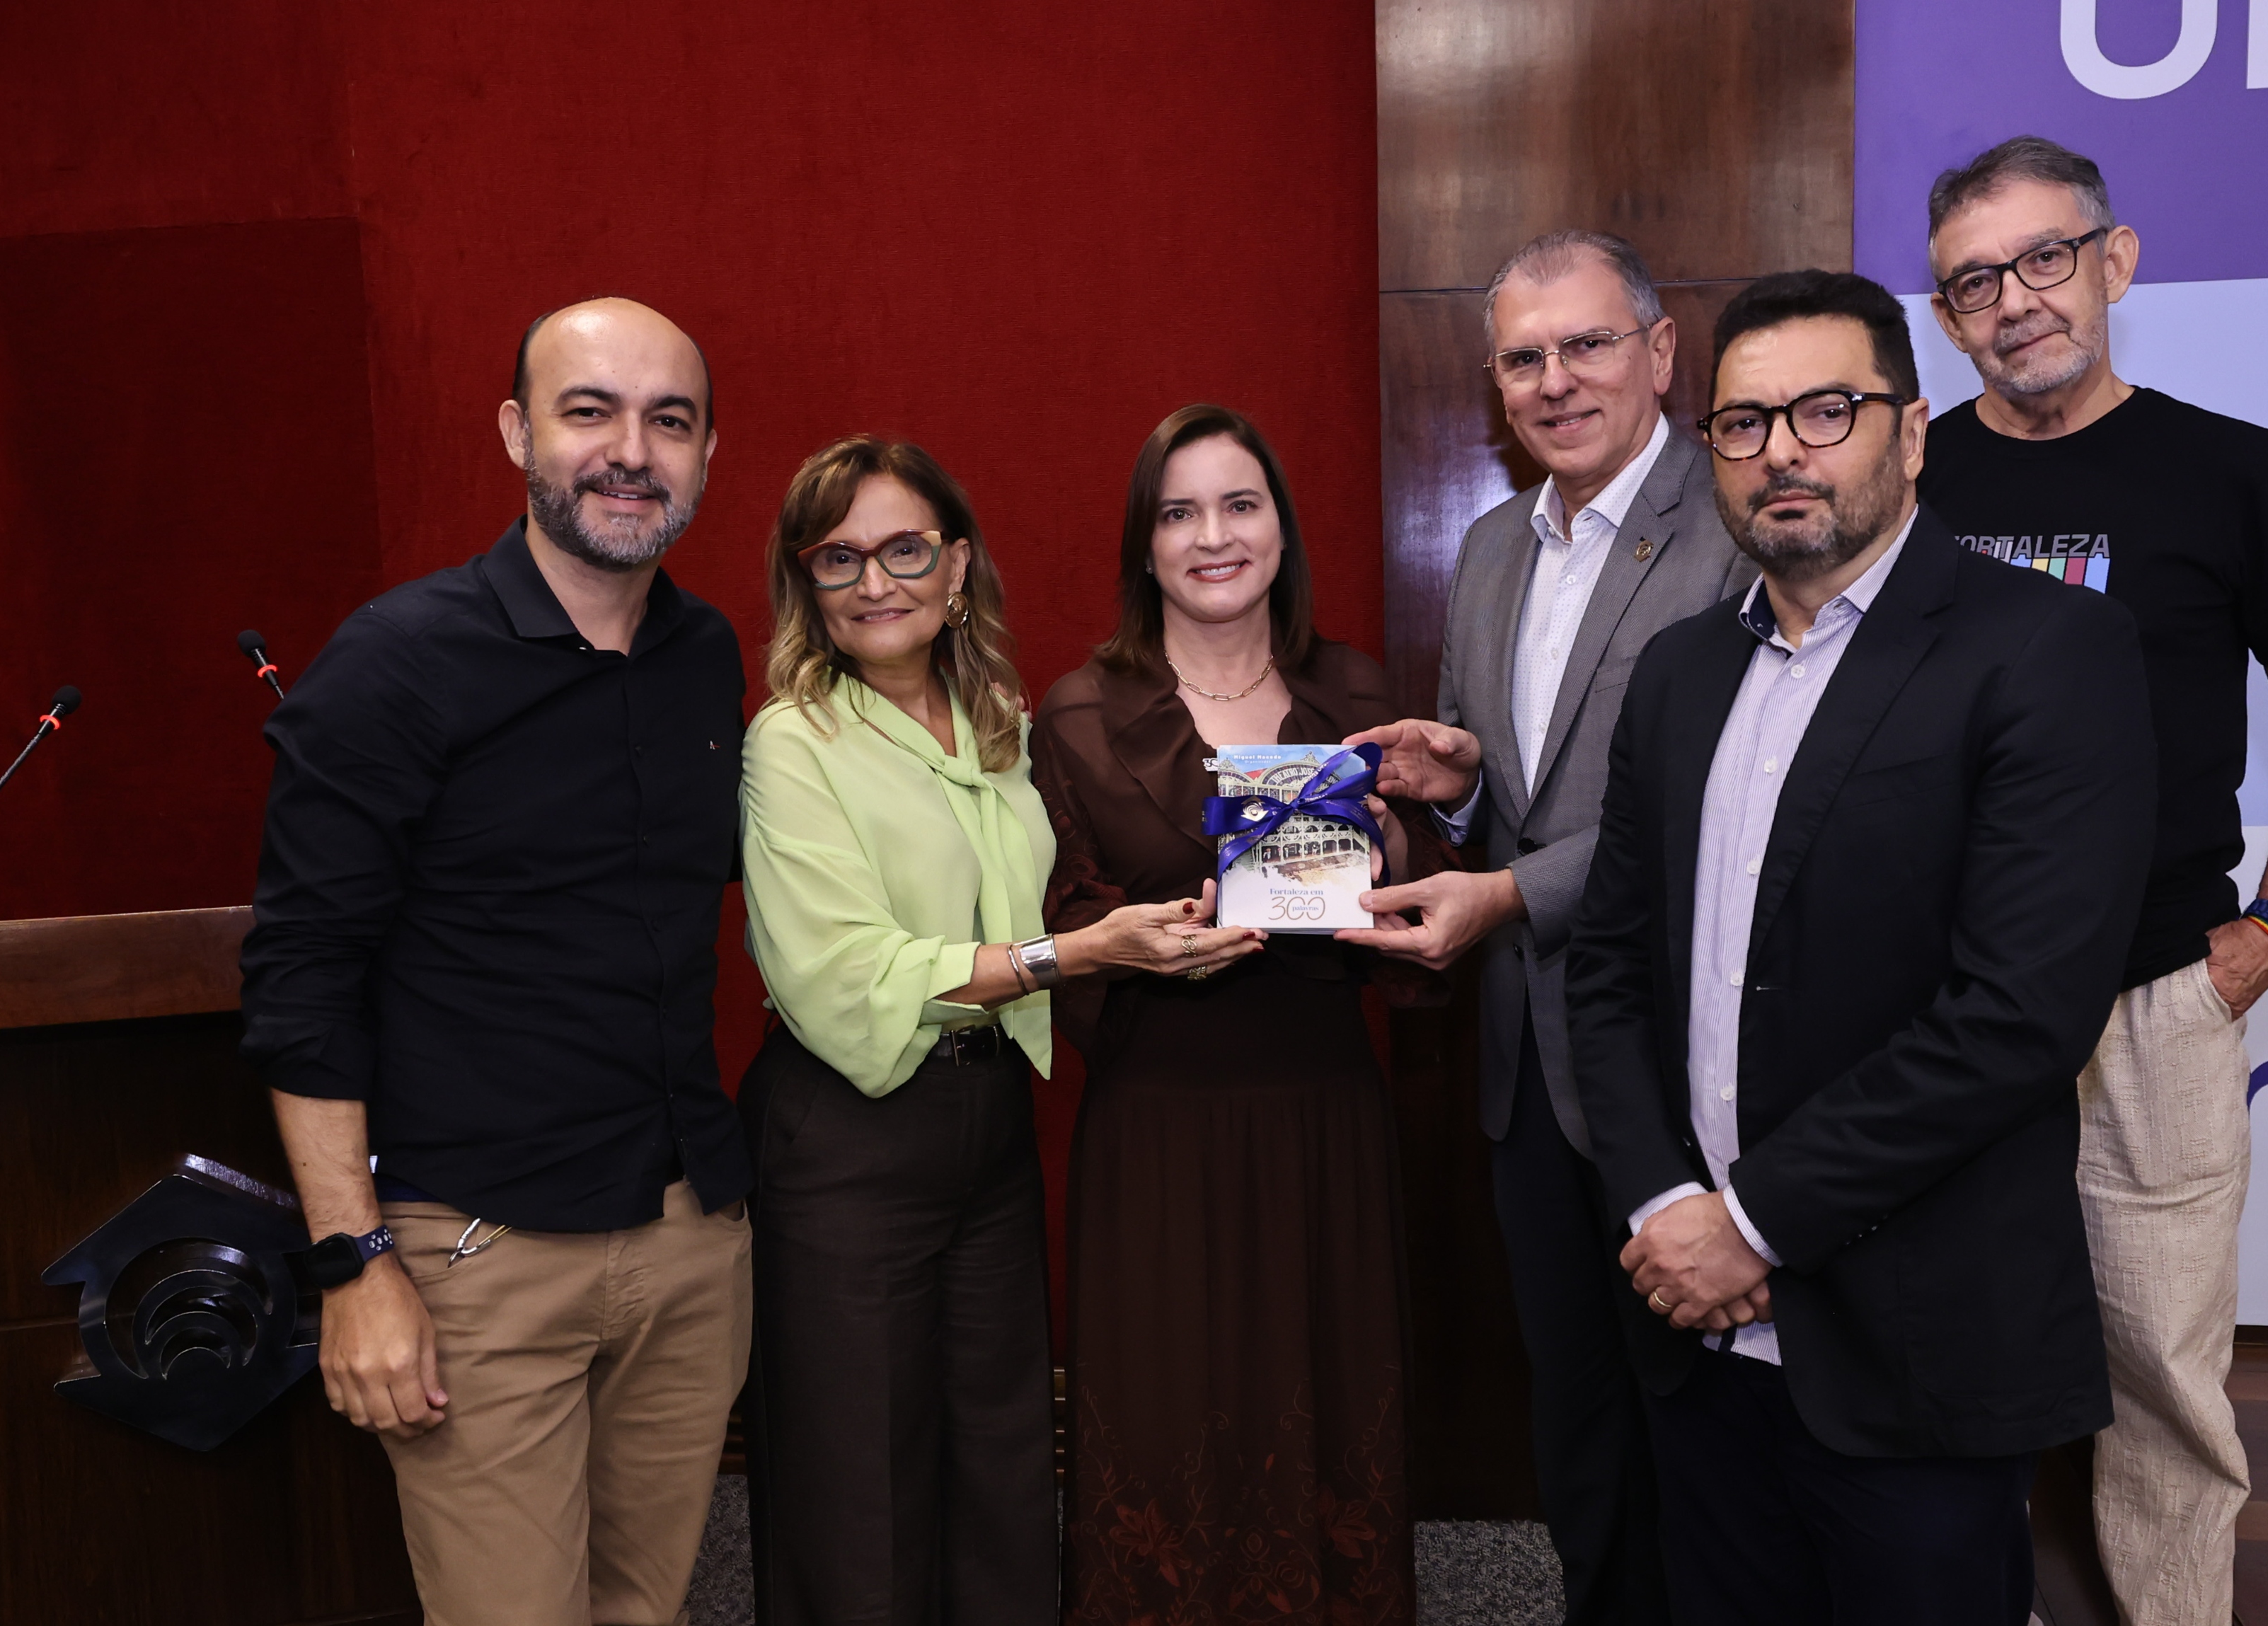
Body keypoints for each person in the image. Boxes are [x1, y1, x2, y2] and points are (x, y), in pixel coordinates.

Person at [1571, 269, 2156, 1625]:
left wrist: (1755, 1222)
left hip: (1916, 1346)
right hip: (1695, 1336)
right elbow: (1607, 970)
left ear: (1913, 432)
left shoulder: (2049, 651)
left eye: (1827, 411)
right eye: (1743, 422)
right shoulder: (1678, 676)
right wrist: (1667, 1211)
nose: (1782, 449)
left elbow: (2014, 1016)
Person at [1916, 136, 2268, 1626]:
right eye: (1973, 280)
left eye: (2045, 258)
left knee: (2161, 1372)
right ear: (1944, 313)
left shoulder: (2229, 469)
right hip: (1947, 1000)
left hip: (2160, 997)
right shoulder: (1908, 473)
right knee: (1945, 1346)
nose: (2014, 302)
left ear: (2116, 260)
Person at [241, 296, 751, 1626]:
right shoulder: (396, 663)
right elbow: (304, 979)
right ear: (521, 432)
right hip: (477, 1254)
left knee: (646, 1610)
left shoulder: (705, 657)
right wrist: (353, 1262)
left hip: (688, 1237)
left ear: (706, 454)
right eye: (591, 411)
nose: (631, 448)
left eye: (669, 420)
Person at [735, 436, 1249, 1626]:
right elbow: (842, 973)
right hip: (845, 1138)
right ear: (805, 583)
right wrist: (1074, 956)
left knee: (1004, 1461)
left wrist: (1208, 897)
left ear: (958, 564)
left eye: (905, 548)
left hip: (990, 1128)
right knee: (858, 1486)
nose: (876, 581)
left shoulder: (1000, 721)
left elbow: (1079, 876)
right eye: (839, 558)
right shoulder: (791, 741)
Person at [1342, 230, 1758, 1626]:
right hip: (1528, 1066)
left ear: (1658, 353)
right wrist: (1464, 793)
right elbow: (1525, 798)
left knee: (1705, 1436)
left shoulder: (1736, 522)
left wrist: (1506, 895)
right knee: (1576, 1426)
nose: (1553, 381)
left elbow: (1708, 803)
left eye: (1584, 345)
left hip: (1683, 1065)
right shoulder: (1486, 550)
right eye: (1521, 358)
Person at [1038, 404, 1443, 1626]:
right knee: (1162, 1420)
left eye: (1240, 504)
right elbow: (1059, 918)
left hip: (1321, 1114)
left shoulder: (1356, 692)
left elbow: (1419, 930)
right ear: (1144, 545)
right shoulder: (1078, 710)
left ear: (1281, 527)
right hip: (1162, 1122)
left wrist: (1391, 843)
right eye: (1179, 512)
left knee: (1327, 1409)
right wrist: (1149, 941)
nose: (1213, 536)